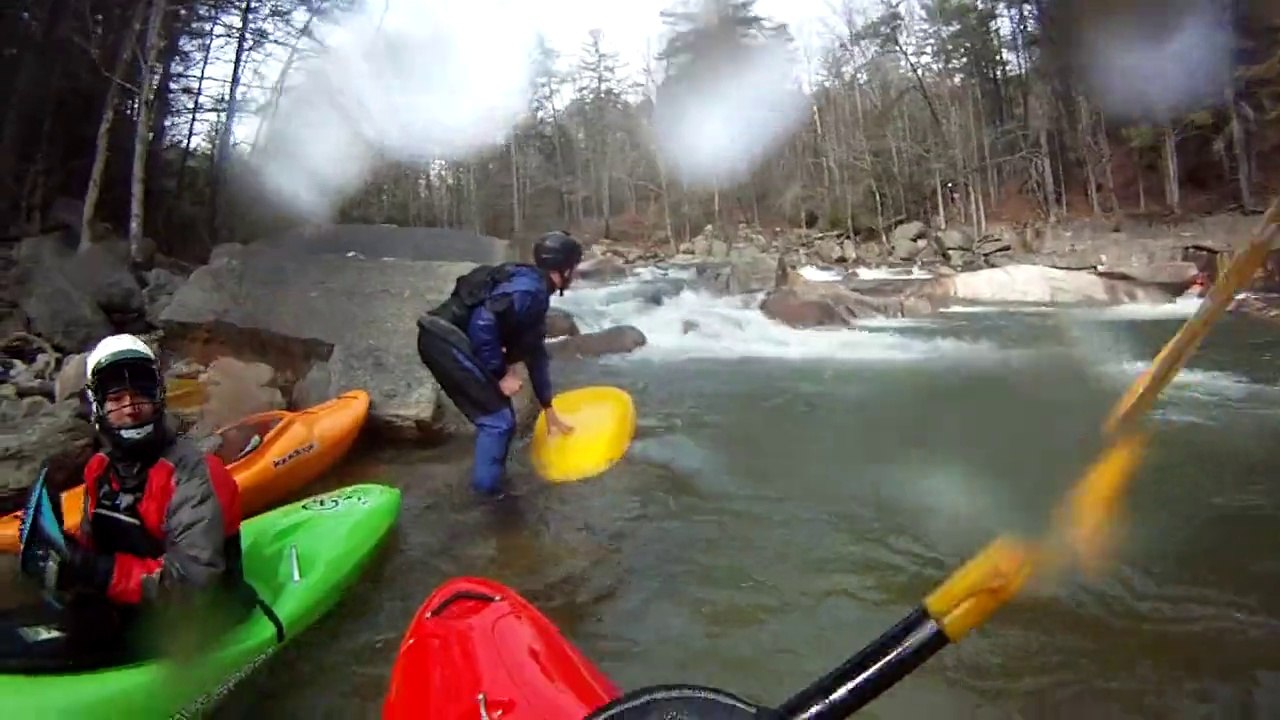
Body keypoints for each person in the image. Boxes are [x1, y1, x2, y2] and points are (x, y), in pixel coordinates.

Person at [6, 333, 280, 671]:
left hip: (195, 621)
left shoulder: (197, 475)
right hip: (134, 608)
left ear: (158, 398)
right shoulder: (99, 471)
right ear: (98, 407)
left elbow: (193, 589)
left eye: (140, 395)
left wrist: (93, 570)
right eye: (116, 398)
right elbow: (97, 557)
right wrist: (64, 558)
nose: (131, 408)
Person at [416, 231, 582, 496]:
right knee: (498, 422)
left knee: (500, 416)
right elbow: (483, 322)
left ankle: (493, 483)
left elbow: (535, 353)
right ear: (565, 269)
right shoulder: (530, 290)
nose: (575, 274)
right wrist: (501, 373)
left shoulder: (532, 287)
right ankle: (488, 502)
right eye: (575, 268)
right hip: (444, 341)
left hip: (442, 339)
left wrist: (548, 407)